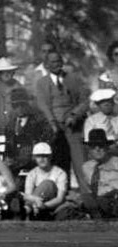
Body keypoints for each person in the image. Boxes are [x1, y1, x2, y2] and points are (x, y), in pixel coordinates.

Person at [35, 51, 89, 191]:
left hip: (74, 128)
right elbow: (43, 105)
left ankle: (88, 199)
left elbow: (85, 101)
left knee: (81, 165)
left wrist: (74, 115)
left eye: (59, 60)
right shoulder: (41, 83)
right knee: (59, 166)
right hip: (56, 131)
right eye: (53, 62)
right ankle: (63, 201)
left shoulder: (73, 79)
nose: (57, 64)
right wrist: (52, 123)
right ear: (46, 65)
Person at [4, 87, 53, 177]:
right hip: (15, 166)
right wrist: (8, 159)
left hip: (34, 164)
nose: (19, 108)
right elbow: (8, 148)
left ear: (27, 104)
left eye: (22, 105)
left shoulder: (39, 123)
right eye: (15, 106)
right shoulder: (10, 126)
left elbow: (44, 144)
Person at [22, 142, 67, 220]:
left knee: (48, 184)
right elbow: (28, 195)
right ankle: (28, 211)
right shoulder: (32, 174)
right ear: (34, 158)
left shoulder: (60, 173)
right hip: (35, 204)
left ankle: (27, 211)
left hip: (52, 207)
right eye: (39, 156)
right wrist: (36, 200)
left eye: (45, 156)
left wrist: (44, 205)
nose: (42, 159)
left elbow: (60, 198)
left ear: (50, 157)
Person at [80, 129, 118, 219]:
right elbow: (88, 190)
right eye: (93, 146)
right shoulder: (86, 167)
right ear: (89, 150)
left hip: (114, 199)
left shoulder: (116, 163)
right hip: (97, 200)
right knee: (84, 198)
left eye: (100, 145)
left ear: (107, 147)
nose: (97, 149)